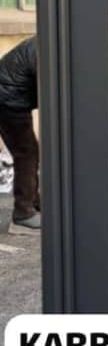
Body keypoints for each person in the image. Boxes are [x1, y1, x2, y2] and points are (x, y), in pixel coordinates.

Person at [0, 37, 40, 231]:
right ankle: (23, 211)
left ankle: (33, 200)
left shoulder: (48, 43)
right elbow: (50, 86)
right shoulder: (46, 50)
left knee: (30, 151)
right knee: (26, 154)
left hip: (10, 97)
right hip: (9, 101)